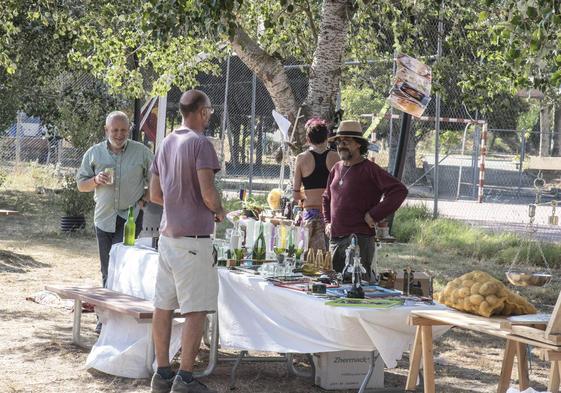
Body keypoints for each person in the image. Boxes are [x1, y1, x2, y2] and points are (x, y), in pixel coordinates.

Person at [149, 90, 224, 393]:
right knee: (196, 309)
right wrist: (219, 210)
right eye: (209, 112)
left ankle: (162, 373)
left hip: (167, 237)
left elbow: (154, 195)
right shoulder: (201, 144)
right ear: (203, 112)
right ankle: (186, 378)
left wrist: (177, 202)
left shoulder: (166, 142)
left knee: (163, 306)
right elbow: (208, 193)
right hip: (194, 238)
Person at [76, 111, 153, 331]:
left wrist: (144, 200)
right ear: (106, 130)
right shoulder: (94, 153)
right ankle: (104, 318)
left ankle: (120, 318)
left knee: (124, 268)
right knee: (107, 269)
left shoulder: (142, 152)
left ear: (129, 130)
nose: (119, 134)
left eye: (123, 130)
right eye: (114, 130)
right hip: (104, 218)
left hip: (130, 219)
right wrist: (94, 180)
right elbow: (81, 185)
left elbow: (158, 178)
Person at [322, 120, 408, 280]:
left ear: (358, 145)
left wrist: (374, 215)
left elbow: (399, 191)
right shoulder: (336, 168)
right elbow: (326, 197)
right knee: (335, 286)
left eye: (346, 142)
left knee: (358, 289)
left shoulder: (370, 169)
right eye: (339, 142)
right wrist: (327, 222)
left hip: (359, 240)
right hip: (335, 239)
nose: (341, 145)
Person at [292, 118, 340, 250]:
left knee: (309, 259)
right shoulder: (336, 157)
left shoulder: (301, 158)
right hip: (331, 215)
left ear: (308, 140)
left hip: (310, 215)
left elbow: (296, 195)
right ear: (327, 138)